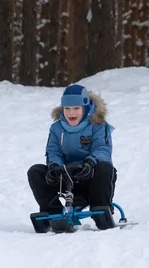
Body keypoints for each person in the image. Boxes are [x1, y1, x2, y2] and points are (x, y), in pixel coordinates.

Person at [27, 84, 117, 229]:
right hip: (65, 177)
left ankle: (101, 211)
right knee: (35, 171)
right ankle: (52, 212)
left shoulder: (98, 125)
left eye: (76, 108)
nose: (71, 113)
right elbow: (53, 151)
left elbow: (103, 149)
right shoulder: (56, 128)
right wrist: (55, 166)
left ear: (85, 108)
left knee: (105, 167)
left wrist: (90, 162)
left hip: (90, 175)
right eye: (67, 108)